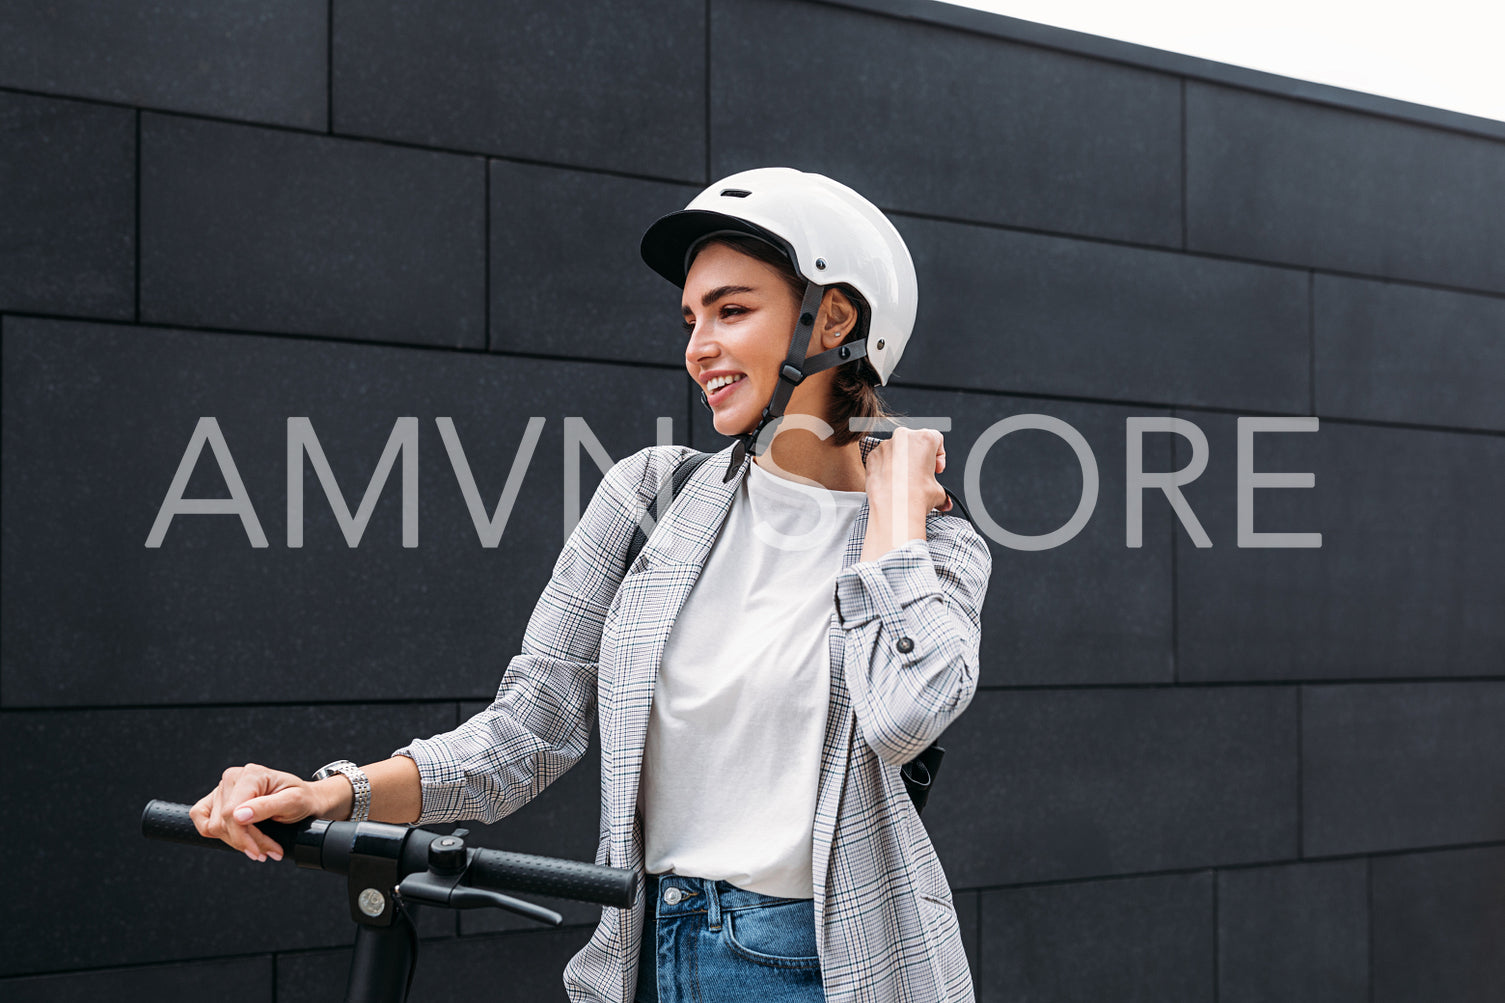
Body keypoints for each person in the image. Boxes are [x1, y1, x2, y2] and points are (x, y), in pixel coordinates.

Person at [191, 167, 992, 1003]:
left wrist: (893, 515)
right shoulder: (652, 497)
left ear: (832, 316)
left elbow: (908, 715)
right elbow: (528, 730)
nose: (698, 346)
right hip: (643, 952)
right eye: (690, 318)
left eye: (732, 309)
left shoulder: (933, 546)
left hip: (829, 967)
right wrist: (336, 791)